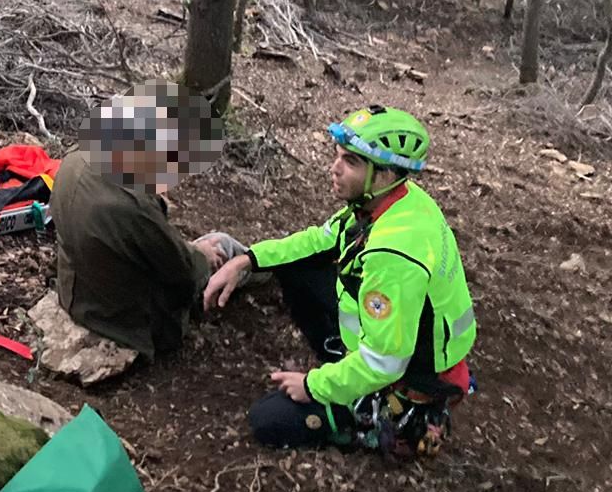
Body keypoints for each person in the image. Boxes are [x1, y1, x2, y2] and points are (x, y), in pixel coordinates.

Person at [203, 105, 476, 457]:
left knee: (268, 421)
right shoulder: (390, 202)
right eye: (338, 156)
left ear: (384, 173)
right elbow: (319, 239)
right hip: (398, 342)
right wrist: (248, 259)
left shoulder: (393, 252)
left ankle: (391, 423)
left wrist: (313, 386)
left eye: (350, 161)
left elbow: (384, 363)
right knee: (296, 264)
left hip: (411, 375)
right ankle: (344, 365)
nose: (334, 169)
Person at [50, 82, 232, 360]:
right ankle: (266, 267)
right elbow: (182, 275)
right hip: (122, 321)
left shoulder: (78, 155)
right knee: (223, 246)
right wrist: (202, 256)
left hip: (76, 289)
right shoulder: (132, 205)